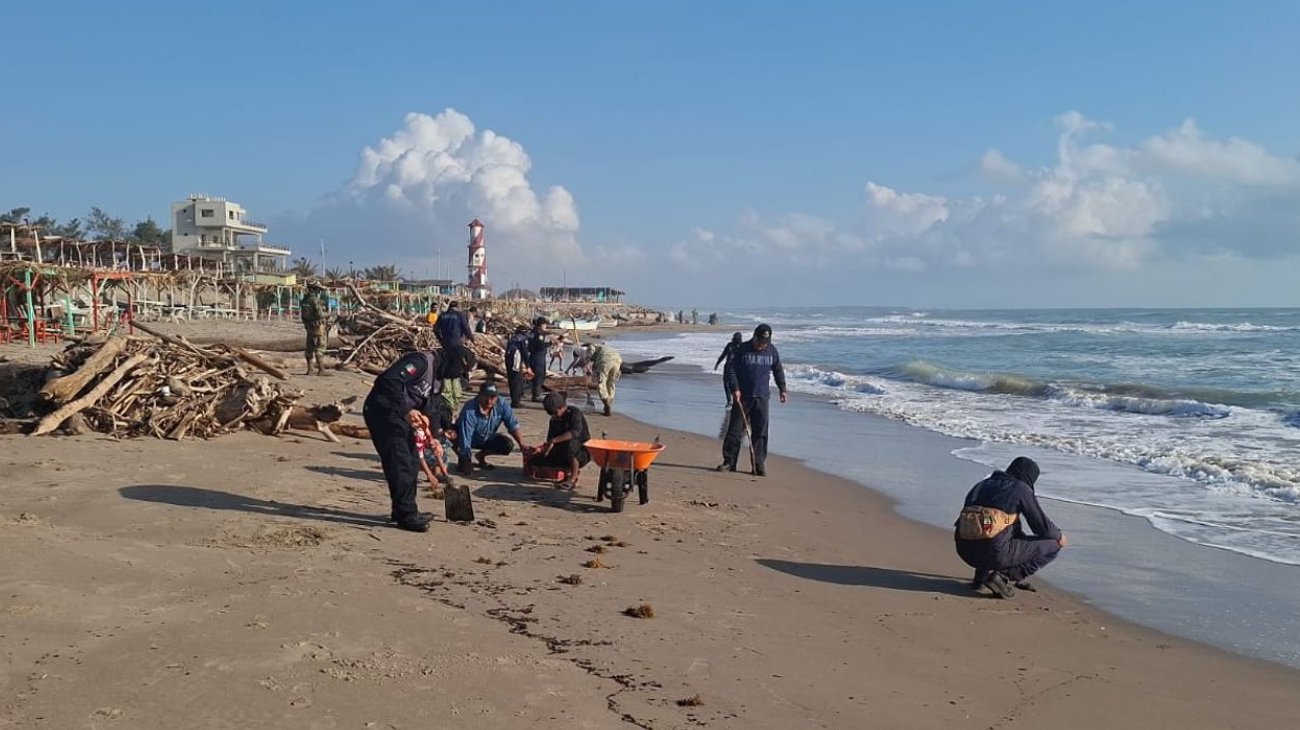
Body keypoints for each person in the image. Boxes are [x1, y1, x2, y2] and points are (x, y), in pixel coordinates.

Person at [362, 350, 450, 532]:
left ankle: (403, 510)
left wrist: (434, 437)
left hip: (401, 418)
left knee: (412, 462)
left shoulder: (438, 379)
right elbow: (387, 381)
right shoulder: (420, 362)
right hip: (382, 412)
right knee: (399, 461)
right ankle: (407, 515)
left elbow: (432, 407)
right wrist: (406, 410)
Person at [954, 456, 1067, 598]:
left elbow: (979, 526)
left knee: (1000, 526)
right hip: (994, 554)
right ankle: (1004, 577)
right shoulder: (1020, 488)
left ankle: (980, 578)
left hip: (965, 551)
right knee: (1054, 544)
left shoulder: (980, 485)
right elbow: (1041, 527)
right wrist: (1059, 536)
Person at [718, 323, 787, 476]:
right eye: (759, 342)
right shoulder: (742, 350)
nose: (761, 346)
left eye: (764, 343)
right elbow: (731, 371)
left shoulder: (772, 351)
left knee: (760, 432)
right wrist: (735, 388)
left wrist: (783, 389)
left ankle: (758, 463)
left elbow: (778, 370)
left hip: (762, 397)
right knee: (735, 431)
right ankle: (729, 462)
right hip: (743, 397)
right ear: (754, 337)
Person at [455, 381, 530, 476]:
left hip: (487, 437)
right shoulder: (470, 410)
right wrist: (467, 462)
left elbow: (512, 425)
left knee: (507, 445)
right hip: (466, 439)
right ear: (479, 396)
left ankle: (481, 456)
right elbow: (466, 438)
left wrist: (522, 444)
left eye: (492, 398)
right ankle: (462, 459)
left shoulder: (502, 404)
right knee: (464, 466)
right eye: (486, 397)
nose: (489, 401)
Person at [528, 392, 591, 490]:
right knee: (535, 460)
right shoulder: (554, 420)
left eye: (554, 412)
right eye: (550, 413)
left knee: (571, 445)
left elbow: (575, 432)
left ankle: (573, 478)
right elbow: (549, 441)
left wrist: (554, 440)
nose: (553, 415)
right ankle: (566, 472)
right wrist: (541, 450)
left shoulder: (574, 413)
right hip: (562, 451)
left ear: (562, 407)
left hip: (581, 451)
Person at [434, 301, 475, 410]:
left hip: (446, 346)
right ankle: (456, 394)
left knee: (446, 369)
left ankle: (446, 393)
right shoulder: (460, 315)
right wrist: (472, 338)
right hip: (457, 345)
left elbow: (435, 329)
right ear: (457, 307)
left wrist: (441, 340)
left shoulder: (442, 315)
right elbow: (466, 328)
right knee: (457, 369)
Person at [410, 410, 450, 488]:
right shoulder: (417, 435)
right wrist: (429, 475)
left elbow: (435, 450)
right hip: (410, 455)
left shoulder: (425, 430)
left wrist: (446, 474)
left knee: (441, 452)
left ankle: (439, 473)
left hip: (421, 450)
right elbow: (421, 458)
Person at [300, 281, 330, 376]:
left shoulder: (305, 300)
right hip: (318, 326)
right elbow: (320, 314)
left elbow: (303, 315)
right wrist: (328, 314)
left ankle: (310, 369)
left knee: (309, 347)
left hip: (309, 327)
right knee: (320, 347)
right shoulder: (315, 300)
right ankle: (321, 370)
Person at [590, 342, 622, 416]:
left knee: (601, 383)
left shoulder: (593, 345)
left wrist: (590, 360)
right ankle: (610, 401)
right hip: (618, 360)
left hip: (605, 360)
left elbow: (591, 353)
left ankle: (606, 402)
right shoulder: (608, 348)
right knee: (611, 383)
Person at [504, 324, 532, 409]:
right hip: (515, 359)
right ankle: (516, 402)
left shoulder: (513, 338)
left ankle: (514, 400)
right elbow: (524, 353)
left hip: (508, 359)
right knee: (517, 380)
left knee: (512, 379)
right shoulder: (522, 339)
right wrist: (528, 365)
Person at [527, 317, 550, 402]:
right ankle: (536, 395)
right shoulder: (539, 334)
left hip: (532, 356)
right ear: (542, 324)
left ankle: (535, 393)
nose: (546, 326)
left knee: (535, 376)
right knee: (539, 376)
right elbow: (540, 346)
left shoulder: (532, 332)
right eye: (545, 324)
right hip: (538, 357)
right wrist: (550, 343)